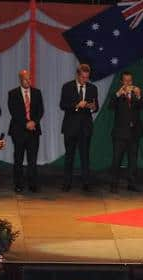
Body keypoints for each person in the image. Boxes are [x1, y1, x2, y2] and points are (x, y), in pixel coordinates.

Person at [60, 64, 98, 192]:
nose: (85, 80)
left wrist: (92, 107)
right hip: (70, 127)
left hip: (85, 128)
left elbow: (95, 106)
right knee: (69, 156)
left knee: (85, 156)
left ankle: (86, 183)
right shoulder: (67, 87)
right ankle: (66, 183)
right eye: (83, 77)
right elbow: (63, 105)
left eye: (87, 77)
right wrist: (77, 105)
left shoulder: (93, 88)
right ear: (77, 75)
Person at [109, 71, 143, 193]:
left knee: (133, 160)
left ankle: (132, 183)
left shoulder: (136, 94)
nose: (128, 83)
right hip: (120, 133)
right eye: (125, 80)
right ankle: (114, 185)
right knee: (116, 160)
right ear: (121, 82)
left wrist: (139, 94)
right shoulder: (118, 95)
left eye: (130, 81)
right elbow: (110, 106)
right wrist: (118, 94)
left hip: (134, 133)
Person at [7, 69, 44, 193]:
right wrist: (26, 123)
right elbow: (14, 112)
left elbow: (41, 110)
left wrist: (34, 122)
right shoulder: (13, 93)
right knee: (18, 159)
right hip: (18, 131)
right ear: (20, 79)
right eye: (25, 79)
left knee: (32, 160)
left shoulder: (37, 93)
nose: (28, 81)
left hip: (33, 130)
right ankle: (18, 184)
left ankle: (32, 184)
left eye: (29, 78)